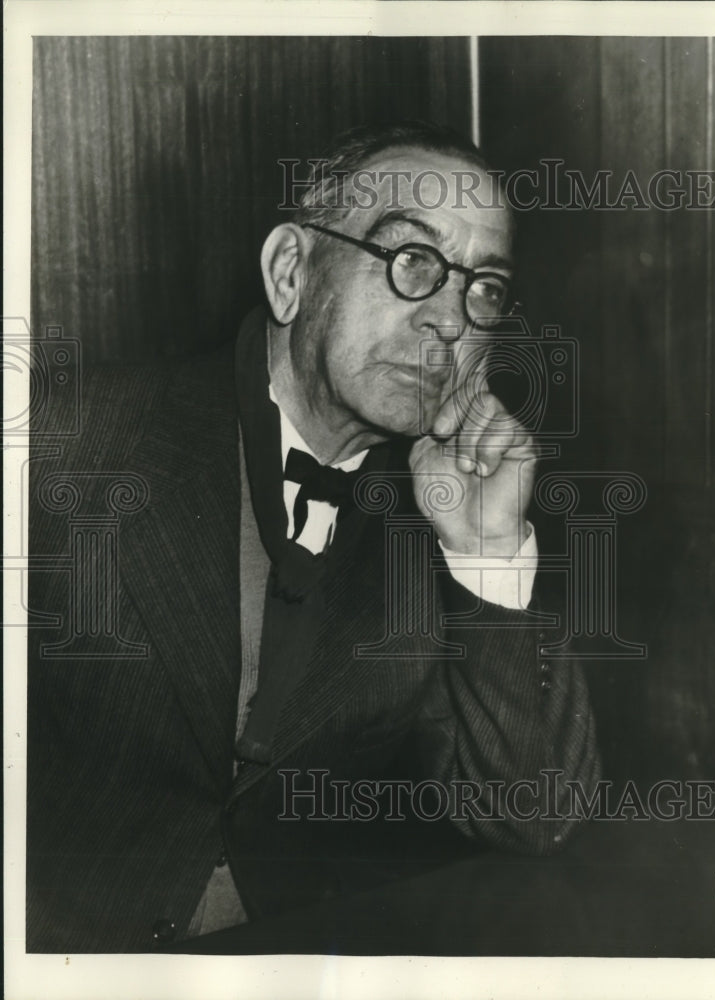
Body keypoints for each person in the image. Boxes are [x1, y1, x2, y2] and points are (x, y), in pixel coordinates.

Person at [26, 121, 601, 953]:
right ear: (291, 272)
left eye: (483, 289)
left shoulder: (440, 512)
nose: (451, 320)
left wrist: (485, 552)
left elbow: (533, 817)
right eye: (413, 262)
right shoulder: (63, 443)